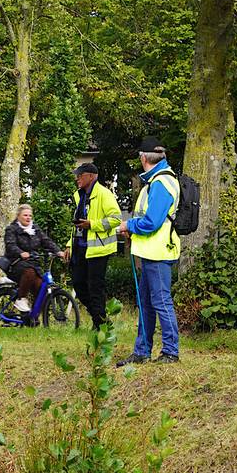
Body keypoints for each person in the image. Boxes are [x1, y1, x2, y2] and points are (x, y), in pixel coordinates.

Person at [116, 137, 182, 366]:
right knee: (146, 301)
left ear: (143, 158)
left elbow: (152, 222)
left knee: (161, 301)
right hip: (151, 251)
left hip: (159, 252)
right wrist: (133, 230)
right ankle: (142, 351)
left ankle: (171, 352)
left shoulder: (161, 183)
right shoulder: (155, 181)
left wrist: (128, 226)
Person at [67, 163, 121, 329]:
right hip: (80, 248)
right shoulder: (79, 196)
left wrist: (92, 224)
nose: (77, 178)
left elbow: (116, 219)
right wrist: (69, 245)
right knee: (78, 284)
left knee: (95, 288)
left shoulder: (104, 194)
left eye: (80, 175)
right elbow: (76, 226)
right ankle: (101, 319)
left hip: (99, 249)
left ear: (91, 176)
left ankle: (100, 325)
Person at [2, 204, 65, 316]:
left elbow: (46, 241)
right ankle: (21, 299)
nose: (28, 217)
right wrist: (21, 253)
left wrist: (58, 252)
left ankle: (33, 317)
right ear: (18, 216)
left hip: (33, 264)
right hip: (15, 264)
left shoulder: (35, 229)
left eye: (30, 215)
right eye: (25, 215)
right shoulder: (11, 229)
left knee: (40, 286)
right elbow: (10, 245)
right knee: (29, 272)